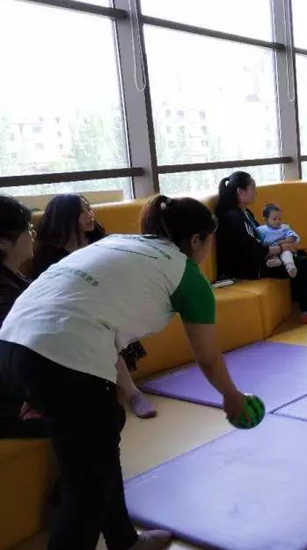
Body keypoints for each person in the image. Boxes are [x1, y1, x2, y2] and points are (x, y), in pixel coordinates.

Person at [0, 195, 253, 550]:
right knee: (86, 493)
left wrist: (36, 384)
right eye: (209, 240)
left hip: (10, 348)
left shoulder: (120, 242)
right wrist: (231, 396)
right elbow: (208, 358)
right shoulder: (186, 276)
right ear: (197, 240)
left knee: (103, 442)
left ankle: (124, 540)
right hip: (63, 359)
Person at [32, 194, 157, 419]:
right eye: (83, 212)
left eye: (89, 209)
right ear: (67, 217)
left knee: (105, 328)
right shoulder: (49, 255)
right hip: (68, 315)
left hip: (104, 307)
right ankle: (126, 393)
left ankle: (130, 393)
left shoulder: (101, 242)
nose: (90, 215)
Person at [216, 171, 307, 323]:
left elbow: (260, 238)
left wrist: (283, 244)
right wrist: (282, 248)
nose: (256, 192)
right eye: (253, 187)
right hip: (248, 267)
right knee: (305, 264)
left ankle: (296, 302)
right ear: (241, 191)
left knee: (301, 254)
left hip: (258, 257)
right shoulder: (234, 217)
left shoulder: (245, 213)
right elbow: (253, 249)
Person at [0, 196, 44, 438]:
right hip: (10, 403)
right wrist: (34, 396)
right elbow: (11, 351)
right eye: (27, 227)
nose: (33, 233)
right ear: (3, 242)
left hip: (20, 387)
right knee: (105, 415)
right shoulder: (4, 293)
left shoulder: (14, 278)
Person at [256, 203, 301, 278]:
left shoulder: (284, 228)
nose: (278, 221)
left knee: (287, 253)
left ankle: (290, 266)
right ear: (265, 219)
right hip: (271, 251)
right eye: (274, 219)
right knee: (270, 255)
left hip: (283, 248)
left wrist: (285, 241)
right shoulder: (261, 230)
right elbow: (258, 242)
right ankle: (276, 262)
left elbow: (292, 236)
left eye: (279, 218)